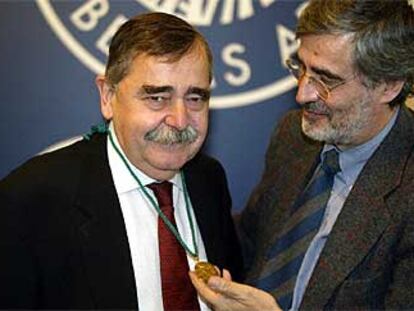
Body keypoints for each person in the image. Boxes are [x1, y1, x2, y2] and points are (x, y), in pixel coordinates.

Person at [0, 12, 242, 310]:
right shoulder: (30, 201)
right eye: (157, 97)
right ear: (108, 96)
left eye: (195, 98)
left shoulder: (208, 180)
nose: (180, 120)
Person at [190, 0, 414, 310]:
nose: (303, 94)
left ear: (388, 86)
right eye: (301, 68)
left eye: (326, 79)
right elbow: (249, 245)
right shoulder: (293, 136)